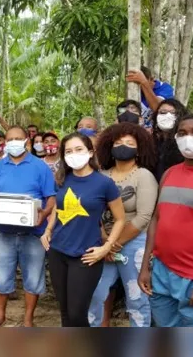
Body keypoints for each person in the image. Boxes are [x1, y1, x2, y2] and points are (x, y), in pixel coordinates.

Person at [138, 114, 193, 327]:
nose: (189, 138)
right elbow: (157, 220)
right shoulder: (170, 173)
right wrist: (145, 267)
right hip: (162, 274)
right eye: (182, 133)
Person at [45, 132, 126, 327]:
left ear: (90, 153)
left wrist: (106, 248)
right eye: (68, 151)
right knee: (64, 312)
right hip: (57, 252)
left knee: (77, 314)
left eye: (79, 149)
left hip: (86, 255)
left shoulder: (105, 183)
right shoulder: (63, 178)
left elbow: (121, 219)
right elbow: (59, 205)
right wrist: (47, 230)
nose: (74, 154)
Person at [0, 126, 57, 327]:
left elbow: (51, 197)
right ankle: (0, 315)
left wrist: (44, 214)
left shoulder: (40, 167)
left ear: (27, 141)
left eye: (18, 138)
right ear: (6, 142)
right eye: (10, 139)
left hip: (33, 234)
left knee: (33, 279)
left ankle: (28, 319)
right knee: (1, 278)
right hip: (4, 233)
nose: (14, 142)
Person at [87, 123, 158, 327]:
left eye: (129, 143)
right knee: (96, 294)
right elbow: (94, 212)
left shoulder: (144, 176)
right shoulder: (101, 175)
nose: (123, 146)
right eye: (118, 142)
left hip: (133, 243)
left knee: (136, 298)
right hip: (101, 243)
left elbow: (144, 216)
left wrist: (112, 244)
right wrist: (104, 242)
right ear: (109, 146)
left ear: (139, 148)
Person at [151, 99, 188, 182]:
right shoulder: (152, 142)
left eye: (173, 113)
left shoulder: (187, 142)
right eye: (163, 112)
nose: (168, 116)